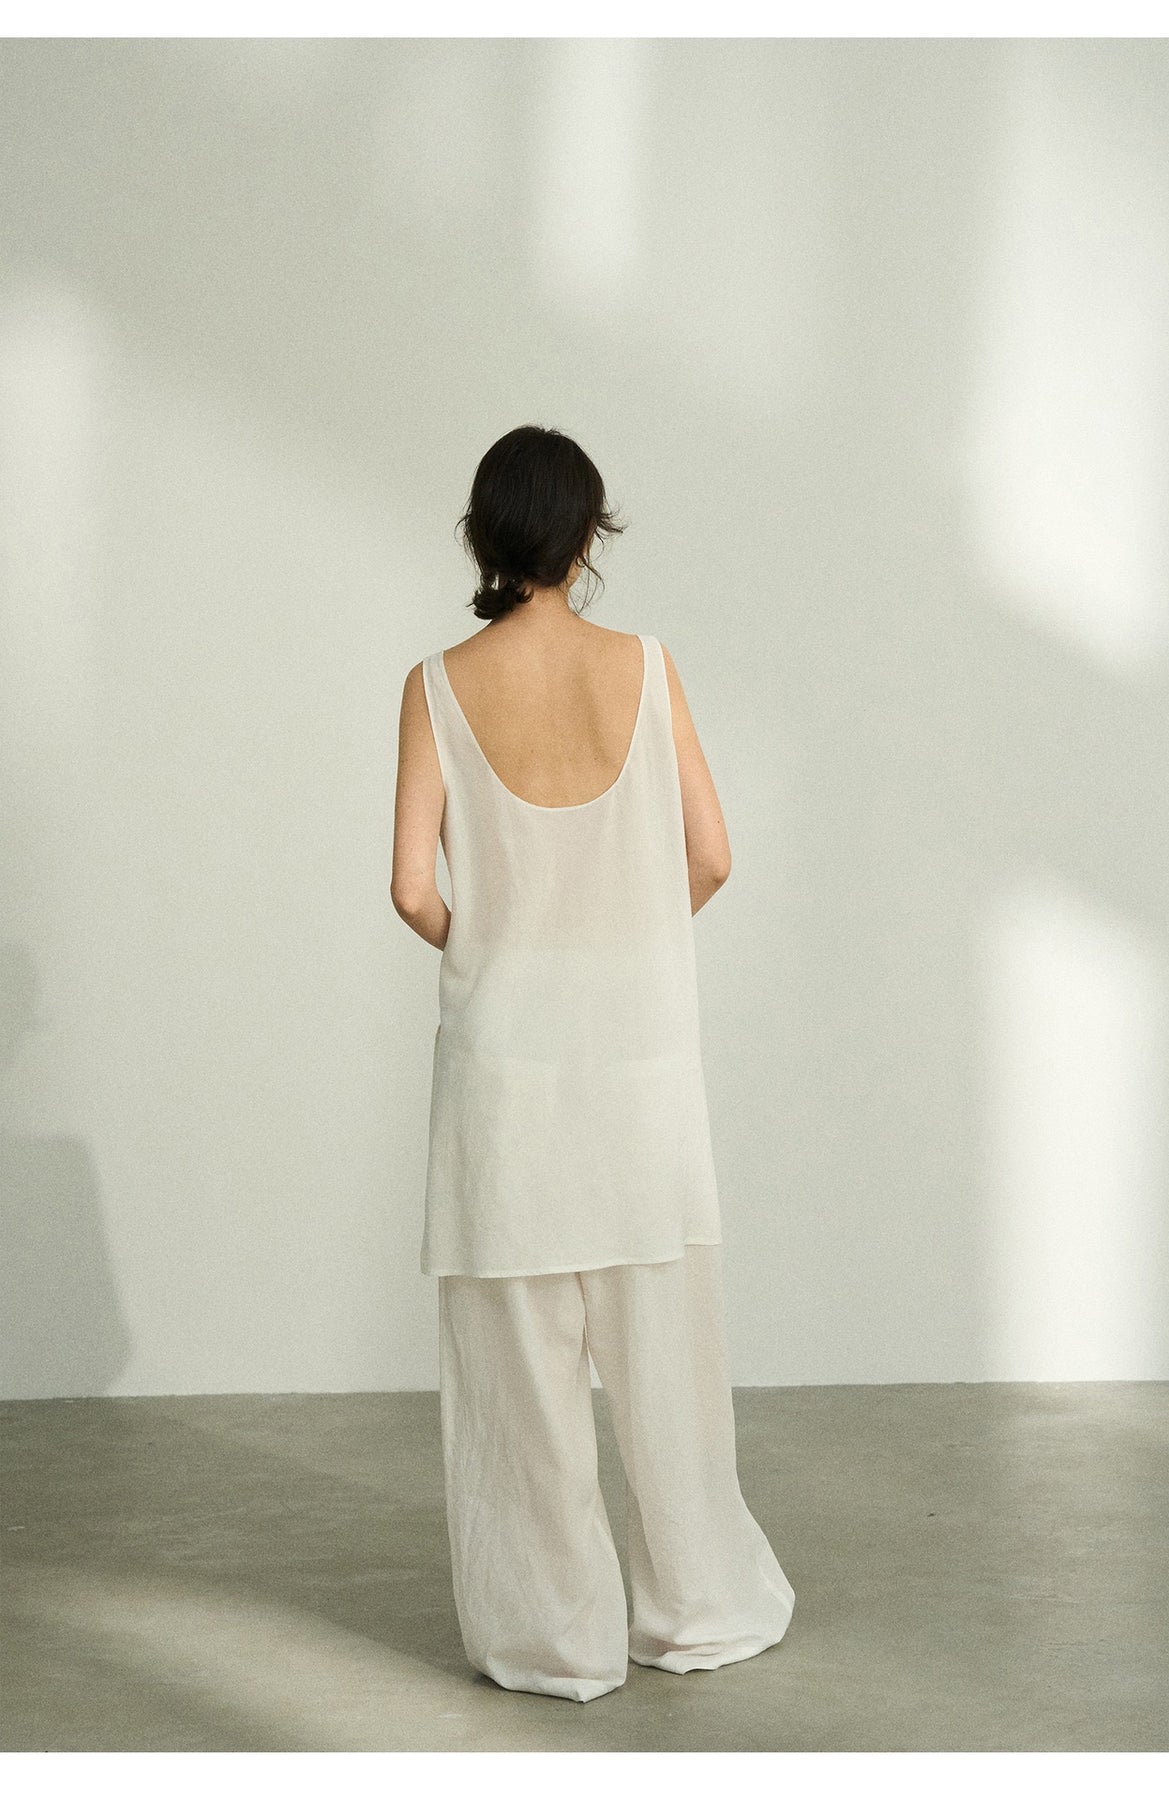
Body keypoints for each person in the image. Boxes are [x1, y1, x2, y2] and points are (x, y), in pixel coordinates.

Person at [391, 424, 794, 1703]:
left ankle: (552, 1641)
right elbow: (711, 855)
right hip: (636, 1063)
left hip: (504, 1067)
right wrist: (625, 938)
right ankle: (696, 1606)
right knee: (663, 1358)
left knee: (519, 1374)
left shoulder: (435, 684)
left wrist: (500, 946)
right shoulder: (647, 666)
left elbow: (411, 890)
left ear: (482, 535)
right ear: (585, 536)